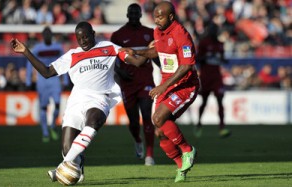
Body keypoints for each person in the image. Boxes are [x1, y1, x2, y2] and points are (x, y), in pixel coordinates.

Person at [10, 21, 146, 184]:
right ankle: (76, 165)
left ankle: (62, 166)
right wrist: (25, 51)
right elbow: (46, 72)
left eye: (86, 37)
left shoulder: (109, 47)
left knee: (93, 122)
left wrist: (149, 52)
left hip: (99, 98)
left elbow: (136, 61)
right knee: (68, 149)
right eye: (79, 38)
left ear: (93, 34)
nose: (83, 41)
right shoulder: (72, 55)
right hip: (76, 101)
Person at [120, 1, 199, 183]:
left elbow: (187, 66)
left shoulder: (181, 34)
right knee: (160, 132)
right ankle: (181, 165)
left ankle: (188, 150)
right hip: (167, 83)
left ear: (171, 17)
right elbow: (155, 51)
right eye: (155, 16)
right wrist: (137, 51)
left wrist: (163, 86)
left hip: (184, 86)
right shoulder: (157, 31)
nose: (156, 20)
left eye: (160, 16)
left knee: (158, 119)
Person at [110, 3, 156, 166]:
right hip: (127, 83)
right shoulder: (117, 36)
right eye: (132, 14)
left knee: (146, 114)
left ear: (141, 15)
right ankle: (137, 139)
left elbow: (155, 55)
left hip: (145, 80)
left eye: (137, 14)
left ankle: (149, 155)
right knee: (134, 121)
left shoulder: (150, 34)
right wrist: (120, 73)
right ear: (128, 15)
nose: (135, 16)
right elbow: (112, 60)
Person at [26, 26, 67, 143]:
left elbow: (65, 62)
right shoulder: (37, 48)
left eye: (49, 34)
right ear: (43, 36)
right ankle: (45, 132)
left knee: (58, 104)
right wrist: (28, 80)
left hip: (55, 80)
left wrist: (66, 80)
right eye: (46, 34)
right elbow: (30, 63)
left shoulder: (58, 47)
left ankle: (53, 125)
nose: (48, 36)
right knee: (44, 106)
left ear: (51, 35)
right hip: (42, 81)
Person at [195, 23, 231, 138]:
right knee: (204, 102)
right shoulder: (204, 43)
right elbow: (197, 59)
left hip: (216, 77)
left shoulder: (220, 44)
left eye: (215, 30)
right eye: (212, 30)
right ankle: (199, 124)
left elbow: (224, 60)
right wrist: (207, 56)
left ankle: (222, 127)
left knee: (220, 100)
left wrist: (222, 59)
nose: (213, 32)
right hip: (206, 76)